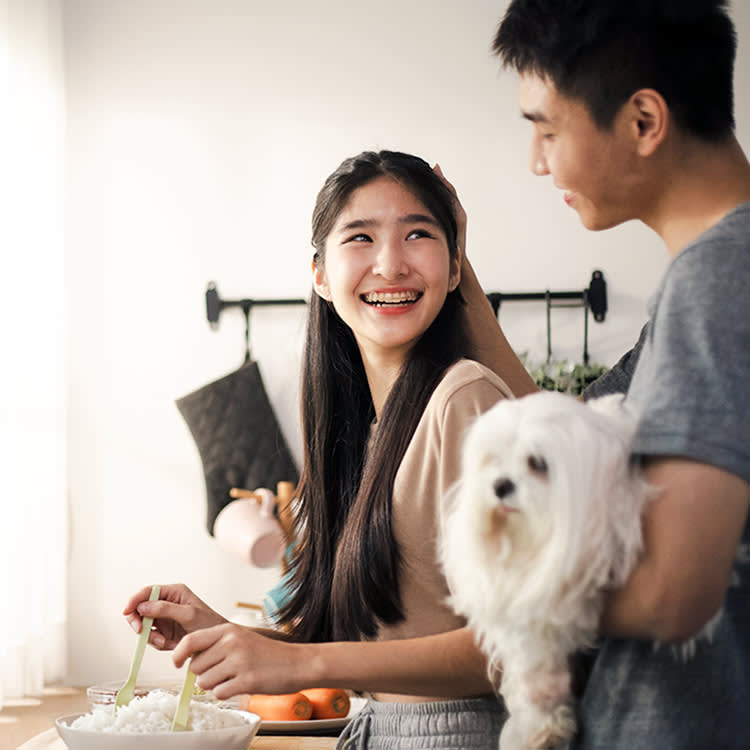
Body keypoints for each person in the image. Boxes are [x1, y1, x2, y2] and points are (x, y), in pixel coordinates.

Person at [123, 150, 536, 749]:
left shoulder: (463, 399)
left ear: (454, 268)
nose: (390, 264)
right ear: (320, 275)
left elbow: (520, 647)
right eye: (361, 238)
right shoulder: (364, 430)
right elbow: (381, 649)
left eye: (418, 233)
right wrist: (227, 635)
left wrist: (299, 666)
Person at [491, 1, 750, 748]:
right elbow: (551, 425)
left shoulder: (717, 282)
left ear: (643, 121)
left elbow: (674, 594)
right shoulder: (706, 281)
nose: (536, 162)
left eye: (546, 130)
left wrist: (495, 588)